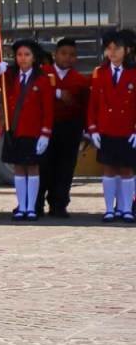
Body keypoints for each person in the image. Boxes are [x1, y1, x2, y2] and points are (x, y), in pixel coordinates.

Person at [0, 39, 54, 221]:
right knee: (19, 169)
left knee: (33, 169)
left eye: (27, 55)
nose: (22, 59)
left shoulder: (42, 79)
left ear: (34, 57)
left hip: (34, 132)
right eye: (19, 55)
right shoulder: (11, 77)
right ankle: (22, 206)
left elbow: (48, 109)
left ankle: (32, 207)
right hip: (16, 131)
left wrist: (45, 133)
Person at [86, 28, 136, 223]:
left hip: (127, 130)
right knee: (108, 170)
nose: (112, 52)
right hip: (106, 129)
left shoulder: (133, 73)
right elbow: (93, 104)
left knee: (126, 170)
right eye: (109, 48)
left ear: (127, 50)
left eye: (117, 48)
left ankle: (125, 209)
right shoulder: (100, 72)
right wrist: (92, 129)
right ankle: (109, 209)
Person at [41, 36, 89, 218]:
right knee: (44, 166)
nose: (67, 58)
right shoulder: (43, 73)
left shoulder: (80, 80)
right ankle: (36, 204)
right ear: (55, 55)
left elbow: (86, 105)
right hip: (46, 127)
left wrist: (86, 130)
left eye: (72, 55)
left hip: (70, 128)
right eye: (63, 53)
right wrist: (58, 93)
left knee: (65, 168)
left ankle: (59, 205)